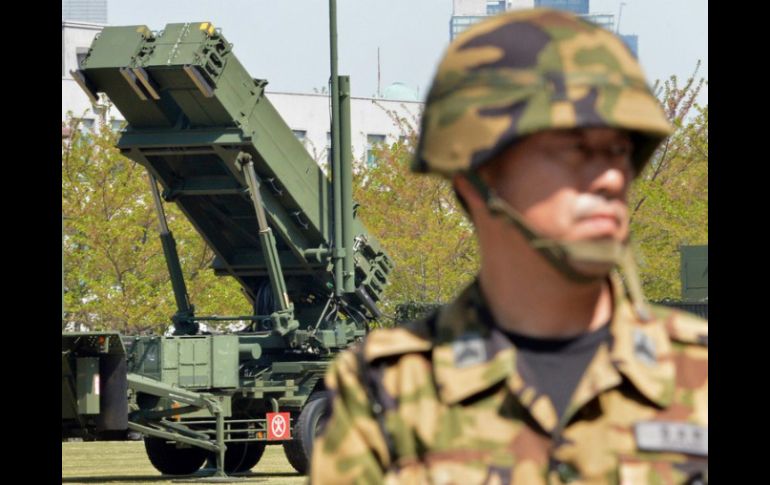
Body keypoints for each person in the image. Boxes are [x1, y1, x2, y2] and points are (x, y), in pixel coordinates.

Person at [311, 8, 707, 485]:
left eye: (619, 151)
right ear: (478, 178)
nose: (609, 177)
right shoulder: (383, 393)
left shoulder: (697, 372)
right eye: (575, 149)